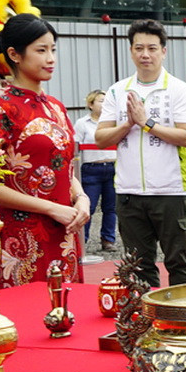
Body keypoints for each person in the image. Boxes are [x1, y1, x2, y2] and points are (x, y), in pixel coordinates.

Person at [0, 14, 88, 288]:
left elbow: (63, 166)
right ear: (14, 55)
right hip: (21, 236)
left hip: (64, 230)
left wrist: (81, 199)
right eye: (41, 50)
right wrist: (52, 208)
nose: (51, 58)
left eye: (52, 49)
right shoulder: (0, 109)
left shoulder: (56, 106)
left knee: (67, 314)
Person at [96, 20, 186, 288]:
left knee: (178, 261)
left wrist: (147, 124)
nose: (145, 54)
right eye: (139, 48)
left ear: (164, 51)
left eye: (152, 48)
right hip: (129, 193)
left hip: (170, 191)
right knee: (137, 265)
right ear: (130, 51)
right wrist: (128, 123)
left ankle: (183, 321)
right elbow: (100, 137)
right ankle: (145, 321)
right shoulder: (118, 91)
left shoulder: (178, 89)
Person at [74, 89, 117, 253]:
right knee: (88, 206)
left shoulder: (113, 123)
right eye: (100, 100)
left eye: (106, 100)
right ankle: (82, 240)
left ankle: (108, 240)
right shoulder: (82, 123)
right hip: (91, 169)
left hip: (111, 167)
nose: (104, 103)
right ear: (90, 104)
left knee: (110, 207)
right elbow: (76, 146)